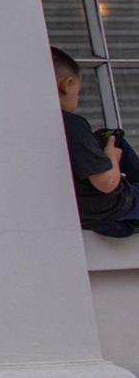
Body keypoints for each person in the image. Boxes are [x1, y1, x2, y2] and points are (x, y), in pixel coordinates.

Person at [51, 47, 139, 238]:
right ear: (68, 84)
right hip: (111, 211)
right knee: (114, 142)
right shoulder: (72, 125)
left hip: (83, 214)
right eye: (78, 92)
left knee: (106, 136)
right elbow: (107, 182)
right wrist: (111, 158)